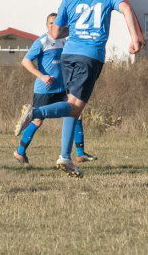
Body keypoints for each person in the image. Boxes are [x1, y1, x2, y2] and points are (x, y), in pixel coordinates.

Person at [30, 0, 143, 177]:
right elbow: (126, 8)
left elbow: (54, 34)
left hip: (68, 55)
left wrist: (73, 32)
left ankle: (65, 156)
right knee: (73, 107)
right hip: (90, 56)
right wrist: (135, 37)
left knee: (72, 106)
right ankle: (36, 112)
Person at [12, 13, 95, 165]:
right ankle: (20, 152)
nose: (53, 25)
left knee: (76, 114)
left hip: (63, 88)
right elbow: (25, 61)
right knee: (37, 121)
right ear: (46, 24)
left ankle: (81, 154)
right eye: (50, 23)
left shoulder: (65, 41)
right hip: (45, 89)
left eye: (55, 23)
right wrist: (41, 76)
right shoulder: (42, 41)